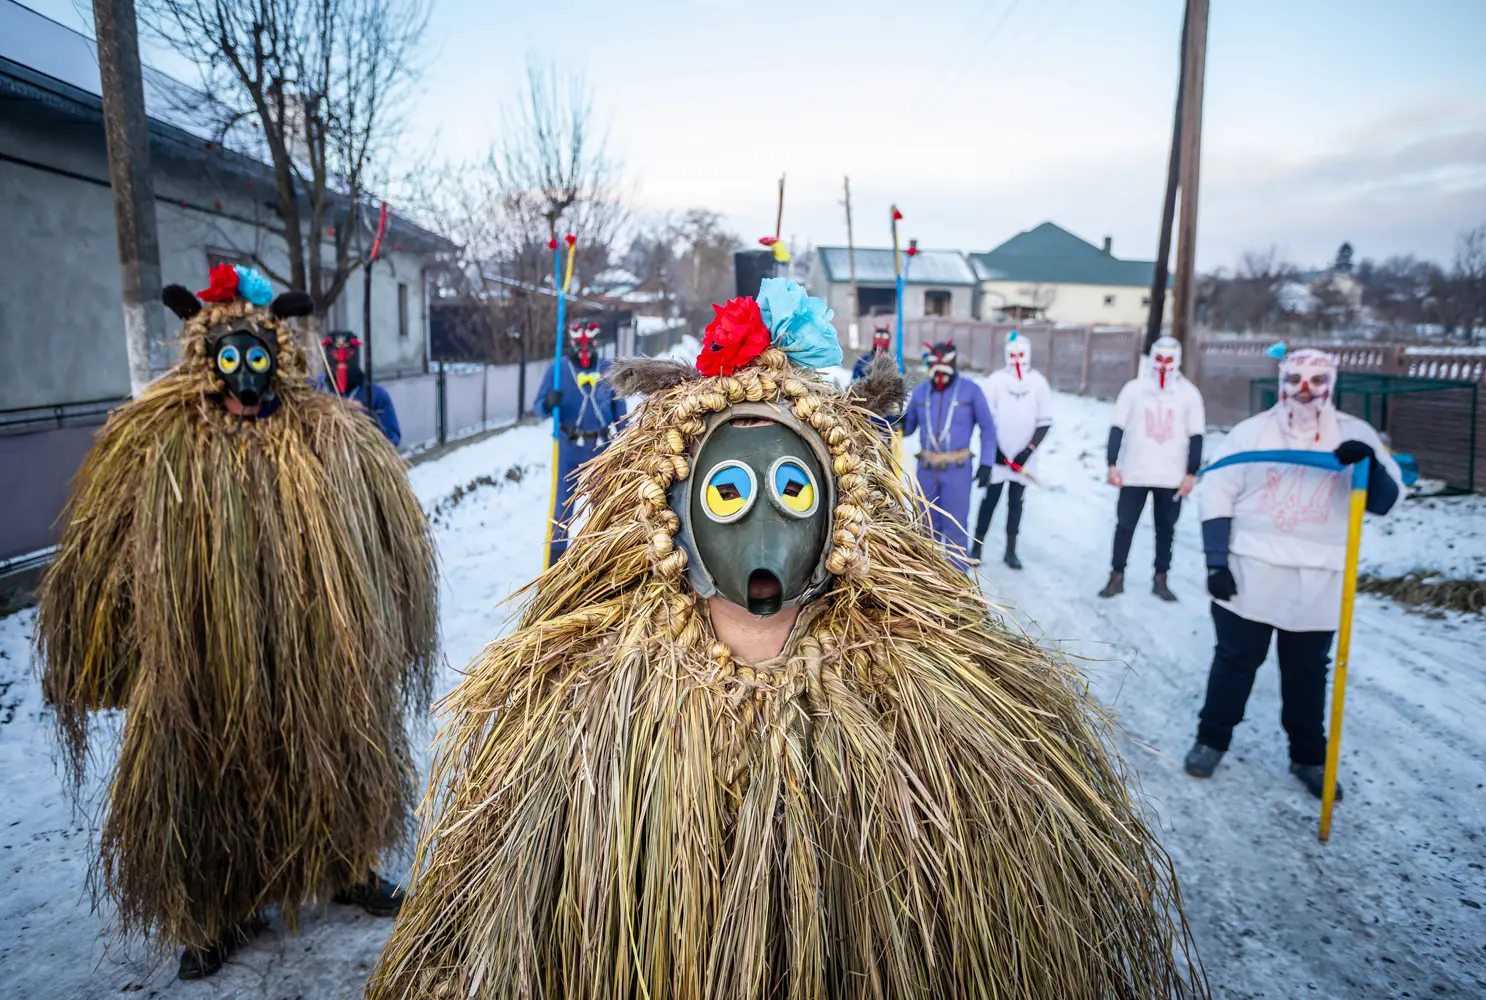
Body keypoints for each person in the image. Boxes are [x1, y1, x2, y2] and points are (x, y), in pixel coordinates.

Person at [365, 279, 1206, 1000]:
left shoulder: (909, 693)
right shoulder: (589, 702)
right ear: (675, 509)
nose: (764, 535)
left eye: (795, 490)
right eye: (728, 494)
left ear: (840, 508)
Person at [37, 265, 438, 980]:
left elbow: (390, 532)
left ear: (277, 358)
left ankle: (347, 865)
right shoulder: (161, 443)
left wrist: (388, 619)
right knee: (211, 776)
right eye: (230, 360)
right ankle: (219, 912)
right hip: (205, 658)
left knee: (337, 751)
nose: (245, 381)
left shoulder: (330, 436)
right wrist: (120, 637)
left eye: (258, 359)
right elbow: (106, 547)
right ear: (207, 362)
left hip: (317, 647)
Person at [1183, 347, 1404, 798]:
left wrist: (1370, 464)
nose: (1305, 390)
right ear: (1281, 381)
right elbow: (1217, 494)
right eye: (1296, 379)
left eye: (1317, 381)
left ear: (1332, 383)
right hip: (1250, 573)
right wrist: (1215, 561)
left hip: (1320, 582)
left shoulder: (1354, 433)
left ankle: (1308, 757)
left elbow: (1384, 501)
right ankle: (1211, 740)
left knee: (1307, 674)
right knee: (1234, 663)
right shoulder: (1252, 433)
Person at [1099, 336, 1205, 600]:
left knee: (1166, 530)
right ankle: (1116, 575)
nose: (1164, 365)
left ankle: (1161, 578)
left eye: (1170, 360)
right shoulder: (1134, 389)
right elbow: (1117, 427)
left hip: (1171, 475)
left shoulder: (1188, 394)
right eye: (1159, 359)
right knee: (1125, 525)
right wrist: (1112, 464)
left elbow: (1196, 435)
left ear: (1178, 361)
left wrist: (1191, 473)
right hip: (1135, 472)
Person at [535, 321, 628, 565]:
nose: (585, 348)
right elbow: (538, 408)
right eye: (579, 342)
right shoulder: (558, 369)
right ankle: (554, 566)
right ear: (572, 342)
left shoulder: (608, 369)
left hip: (601, 449)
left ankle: (603, 561)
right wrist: (548, 403)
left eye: (589, 343)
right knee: (562, 510)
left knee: (604, 507)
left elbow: (621, 413)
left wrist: (627, 442)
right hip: (568, 449)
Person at [902, 340, 996, 562]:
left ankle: (956, 584)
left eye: (946, 362)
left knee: (955, 528)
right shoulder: (921, 392)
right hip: (926, 470)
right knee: (925, 527)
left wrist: (987, 462)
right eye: (935, 362)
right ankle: (927, 578)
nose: (940, 368)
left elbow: (988, 427)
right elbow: (908, 428)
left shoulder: (971, 391)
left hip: (957, 470)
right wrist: (896, 417)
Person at [972, 331, 1052, 568]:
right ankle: (976, 548)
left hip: (1023, 460)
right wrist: (993, 450)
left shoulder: (1038, 382)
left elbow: (1044, 421)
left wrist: (1028, 451)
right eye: (1013, 354)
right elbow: (985, 418)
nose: (1017, 359)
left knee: (1016, 503)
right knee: (990, 501)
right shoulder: (995, 381)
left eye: (1021, 354)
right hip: (999, 457)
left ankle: (1011, 550)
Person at [316, 329, 402, 446]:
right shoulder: (314, 391)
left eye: (348, 354)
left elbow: (393, 437)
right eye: (335, 354)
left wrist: (370, 420)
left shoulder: (376, 395)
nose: (341, 360)